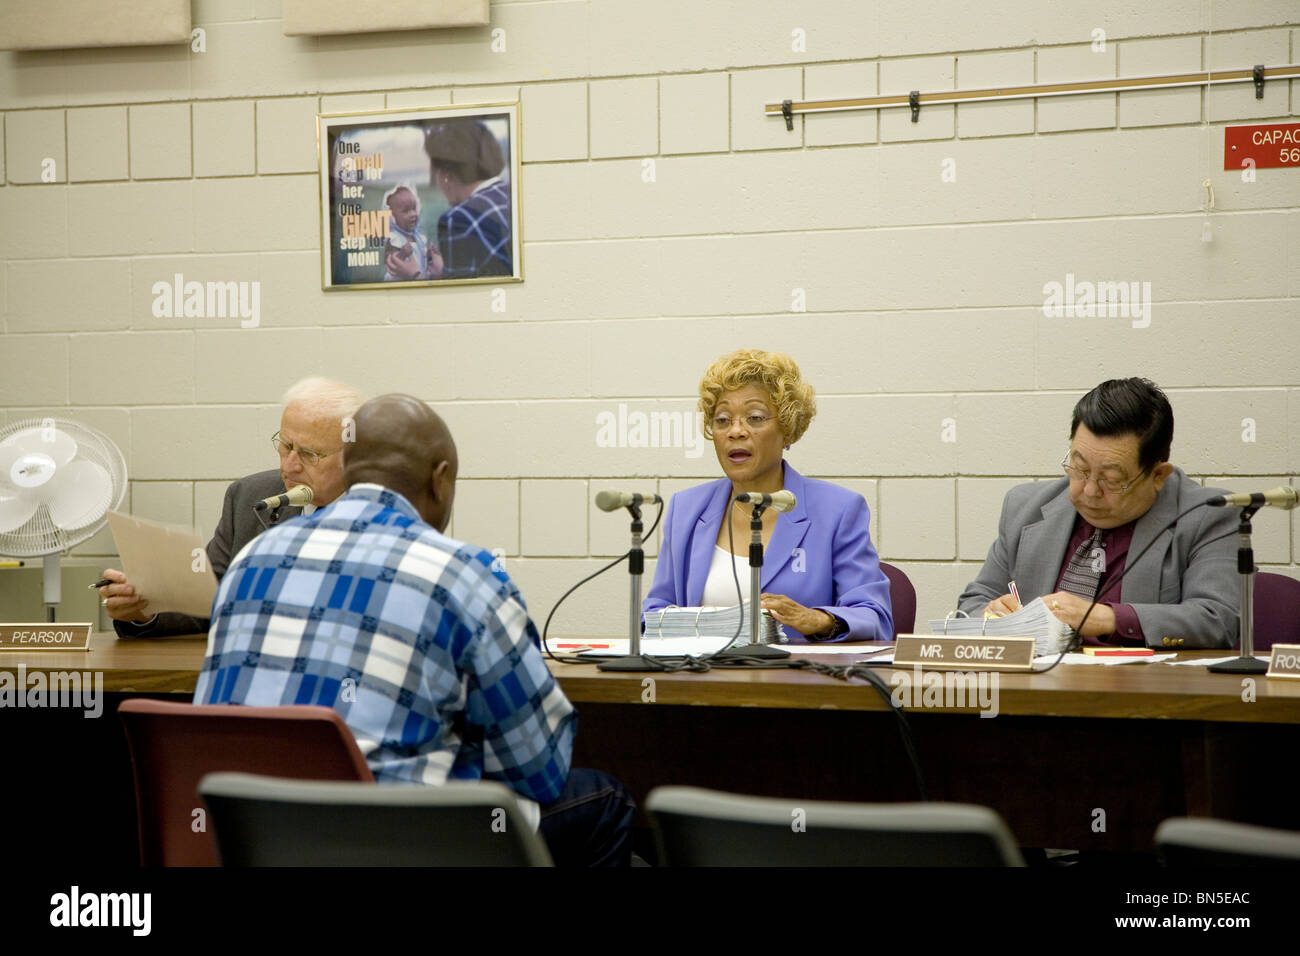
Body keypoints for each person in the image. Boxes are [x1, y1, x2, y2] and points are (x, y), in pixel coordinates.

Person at [194, 394, 635, 866]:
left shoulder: (248, 562)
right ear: (440, 479)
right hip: (395, 844)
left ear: (351, 467)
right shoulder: (463, 573)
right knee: (604, 800)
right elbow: (536, 769)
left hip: (253, 840)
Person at [957, 378, 1239, 649]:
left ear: (1158, 475)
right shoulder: (1024, 507)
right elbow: (972, 603)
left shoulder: (1207, 514)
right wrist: (991, 615)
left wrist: (1107, 618)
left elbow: (1218, 619)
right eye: (1079, 469)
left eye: (1111, 480)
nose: (1089, 490)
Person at [644, 349, 893, 642]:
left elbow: (875, 616)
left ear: (787, 430)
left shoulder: (838, 510)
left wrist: (817, 619)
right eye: (723, 420)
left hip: (796, 683)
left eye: (755, 417)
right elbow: (653, 613)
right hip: (702, 681)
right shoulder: (685, 510)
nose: (736, 431)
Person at [98, 378, 363, 638]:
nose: (289, 466)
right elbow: (206, 597)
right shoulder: (250, 496)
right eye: (285, 446)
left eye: (309, 454)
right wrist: (143, 609)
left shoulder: (384, 514)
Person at [385, 119, 511, 280]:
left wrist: (415, 275)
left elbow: (457, 300)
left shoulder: (459, 220)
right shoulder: (508, 194)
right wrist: (445, 271)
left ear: (446, 175)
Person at [381, 184, 436, 281]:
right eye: (406, 211)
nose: (413, 214)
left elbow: (421, 258)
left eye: (414, 209)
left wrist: (429, 255)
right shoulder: (394, 238)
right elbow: (390, 262)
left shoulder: (418, 237)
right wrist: (402, 254)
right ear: (392, 217)